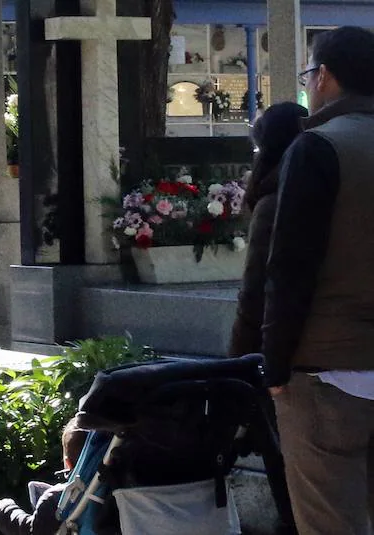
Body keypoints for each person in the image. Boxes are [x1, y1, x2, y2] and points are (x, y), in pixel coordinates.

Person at [262, 26, 374, 534]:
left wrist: (276, 365)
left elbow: (291, 266)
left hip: (327, 367)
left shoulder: (318, 148)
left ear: (324, 77)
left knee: (330, 522)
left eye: (309, 74)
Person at [229, 102, 307, 535]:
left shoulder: (273, 198)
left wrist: (237, 361)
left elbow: (255, 295)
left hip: (280, 358)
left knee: (288, 481)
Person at [0, 418, 87, 535]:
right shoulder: (111, 484)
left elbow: (32, 530)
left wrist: (4, 509)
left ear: (68, 463)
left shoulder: (55, 499)